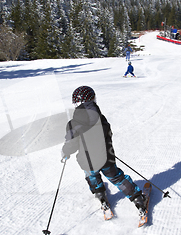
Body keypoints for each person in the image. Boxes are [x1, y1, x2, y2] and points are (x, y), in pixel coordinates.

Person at [61, 86, 147, 215]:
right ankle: (137, 198)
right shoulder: (100, 118)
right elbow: (108, 134)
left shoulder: (72, 123)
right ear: (92, 100)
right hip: (106, 158)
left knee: (91, 175)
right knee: (117, 178)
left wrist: (65, 151)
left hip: (87, 161)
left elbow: (71, 143)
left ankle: (99, 193)